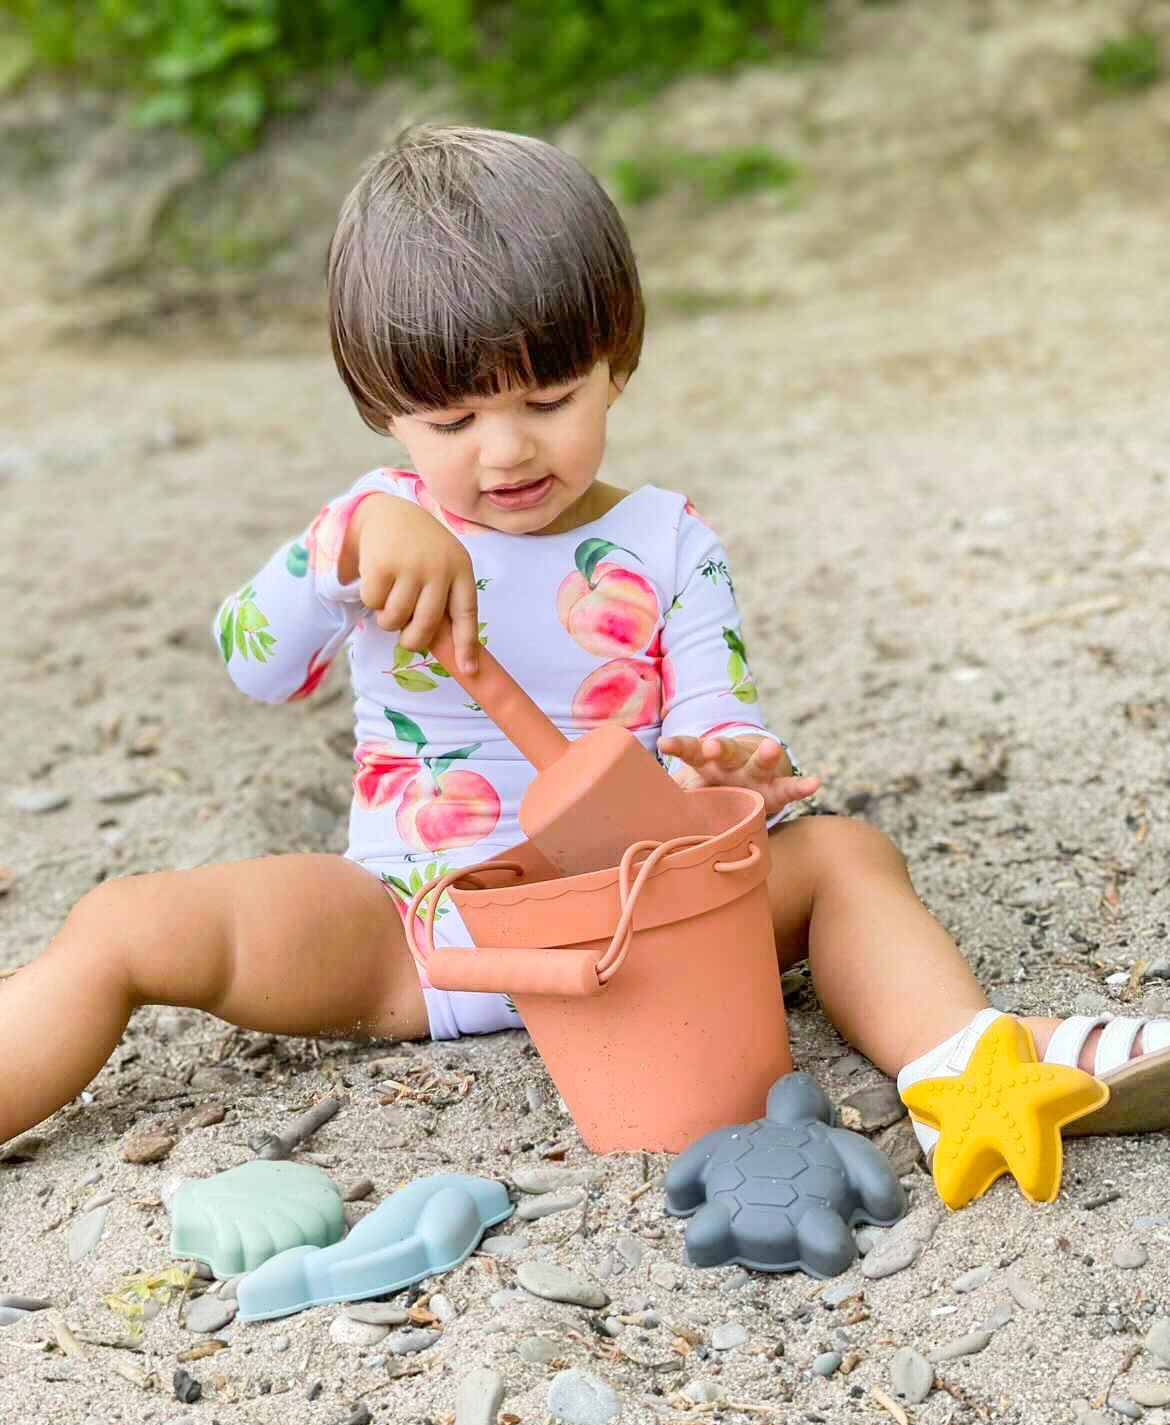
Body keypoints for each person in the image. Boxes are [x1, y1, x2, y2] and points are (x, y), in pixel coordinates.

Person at [2, 124, 1166, 1162]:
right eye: (453, 421)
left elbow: (718, 712)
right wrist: (341, 541)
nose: (505, 451)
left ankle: (973, 1065)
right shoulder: (377, 526)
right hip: (417, 928)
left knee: (845, 857)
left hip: (640, 922)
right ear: (380, 407)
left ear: (618, 357)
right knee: (126, 927)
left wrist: (725, 767)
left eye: (550, 396)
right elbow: (252, 664)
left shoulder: (665, 540)